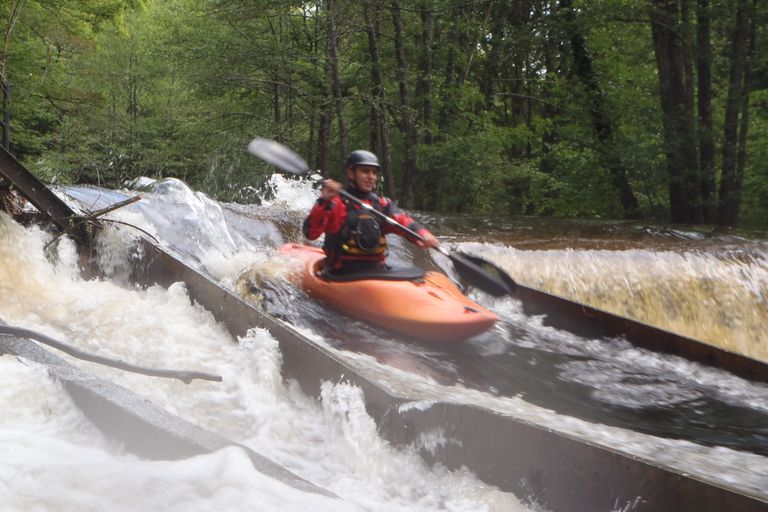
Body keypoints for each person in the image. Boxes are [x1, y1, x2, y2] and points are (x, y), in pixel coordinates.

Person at [302, 149, 439, 275]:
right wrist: (324, 201)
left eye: (374, 172)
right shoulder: (335, 203)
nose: (371, 177)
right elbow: (310, 234)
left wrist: (423, 234)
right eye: (365, 171)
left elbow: (404, 222)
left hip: (376, 270)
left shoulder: (381, 204)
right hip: (341, 273)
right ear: (350, 173)